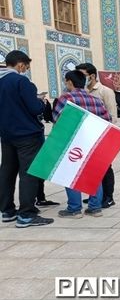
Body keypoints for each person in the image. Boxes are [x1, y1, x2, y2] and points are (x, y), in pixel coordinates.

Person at [0, 50, 54, 228]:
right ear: (21, 64)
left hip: (7, 135)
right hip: (27, 135)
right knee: (28, 174)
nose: (25, 71)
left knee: (7, 172)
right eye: (26, 67)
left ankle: (7, 211)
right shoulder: (21, 81)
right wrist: (40, 101)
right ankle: (26, 215)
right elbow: (35, 109)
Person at [53, 70, 111, 218]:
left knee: (70, 174)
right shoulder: (95, 100)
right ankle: (95, 207)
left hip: (71, 143)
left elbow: (58, 121)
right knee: (93, 174)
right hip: (91, 142)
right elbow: (107, 120)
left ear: (70, 82)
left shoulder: (66, 98)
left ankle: (74, 209)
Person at [76, 62, 118, 208]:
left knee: (105, 167)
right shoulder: (81, 92)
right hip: (86, 135)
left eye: (83, 75)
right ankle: (95, 195)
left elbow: (112, 116)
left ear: (92, 76)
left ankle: (108, 197)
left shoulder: (105, 91)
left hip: (102, 134)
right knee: (90, 167)